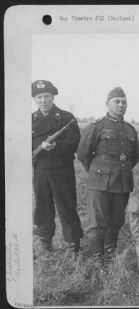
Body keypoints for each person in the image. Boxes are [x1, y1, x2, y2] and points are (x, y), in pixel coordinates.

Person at [77, 87, 139, 266]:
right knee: (98, 221)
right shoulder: (96, 126)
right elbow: (83, 153)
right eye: (117, 102)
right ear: (107, 104)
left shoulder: (130, 130)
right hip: (99, 181)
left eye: (124, 102)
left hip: (122, 181)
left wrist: (121, 170)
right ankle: (97, 257)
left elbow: (134, 157)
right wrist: (97, 170)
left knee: (116, 219)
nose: (121, 105)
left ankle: (109, 252)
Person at [32, 80, 83, 256]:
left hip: (62, 170)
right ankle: (45, 245)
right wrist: (40, 145)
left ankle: (72, 246)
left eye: (46, 96)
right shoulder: (30, 120)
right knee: (42, 208)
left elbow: (76, 142)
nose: (43, 100)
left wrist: (57, 146)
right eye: (39, 97)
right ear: (34, 99)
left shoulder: (66, 118)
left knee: (67, 207)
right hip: (41, 170)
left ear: (53, 97)